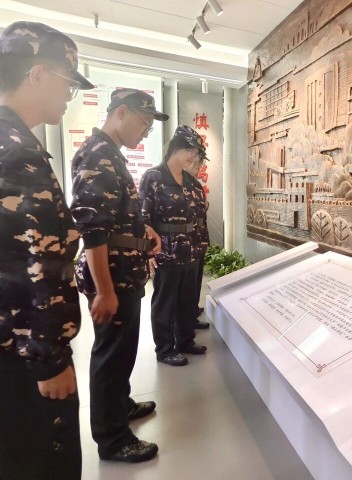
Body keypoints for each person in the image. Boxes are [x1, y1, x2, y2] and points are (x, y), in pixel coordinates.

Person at [0, 21, 93, 480]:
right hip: (22, 357)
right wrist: (49, 360)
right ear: (37, 75)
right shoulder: (19, 153)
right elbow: (32, 268)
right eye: (67, 82)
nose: (69, 96)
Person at [70, 88, 165, 463]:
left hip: (124, 271)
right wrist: (104, 291)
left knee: (122, 349)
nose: (145, 131)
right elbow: (93, 230)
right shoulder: (98, 155)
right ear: (121, 112)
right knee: (111, 354)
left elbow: (115, 218)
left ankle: (120, 404)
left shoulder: (110, 154)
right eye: (144, 123)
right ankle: (113, 439)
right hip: (111, 276)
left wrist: (144, 232)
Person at [139, 125, 208, 367]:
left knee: (188, 300)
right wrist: (148, 252)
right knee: (165, 302)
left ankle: (186, 341)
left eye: (196, 153)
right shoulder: (154, 177)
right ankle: (165, 349)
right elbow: (143, 217)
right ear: (175, 148)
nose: (193, 157)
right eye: (190, 151)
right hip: (166, 251)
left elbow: (199, 218)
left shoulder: (192, 183)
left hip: (191, 250)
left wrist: (201, 246)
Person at [188, 153, 211, 330]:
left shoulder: (195, 185)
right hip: (183, 244)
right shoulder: (177, 183)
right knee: (183, 288)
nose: (199, 167)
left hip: (198, 240)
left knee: (196, 281)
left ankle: (192, 313)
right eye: (196, 163)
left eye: (201, 164)